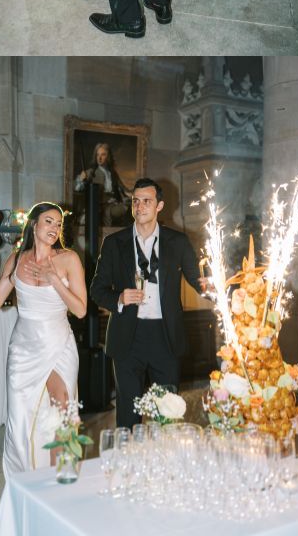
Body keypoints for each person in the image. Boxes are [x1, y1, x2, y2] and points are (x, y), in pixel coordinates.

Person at [0, 202, 86, 476]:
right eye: (48, 222)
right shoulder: (18, 259)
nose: (54, 228)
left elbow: (80, 310)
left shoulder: (68, 259)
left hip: (58, 342)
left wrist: (53, 278)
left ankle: (62, 475)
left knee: (62, 404)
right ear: (34, 224)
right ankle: (23, 477)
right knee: (21, 416)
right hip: (24, 347)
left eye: (58, 224)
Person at [89, 179, 206, 429]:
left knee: (169, 414)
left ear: (159, 206)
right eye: (135, 201)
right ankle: (128, 465)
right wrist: (119, 298)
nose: (140, 206)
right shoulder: (113, 243)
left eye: (147, 201)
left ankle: (166, 465)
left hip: (165, 336)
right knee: (128, 415)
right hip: (127, 337)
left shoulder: (178, 242)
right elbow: (97, 290)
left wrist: (220, 289)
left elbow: (200, 282)